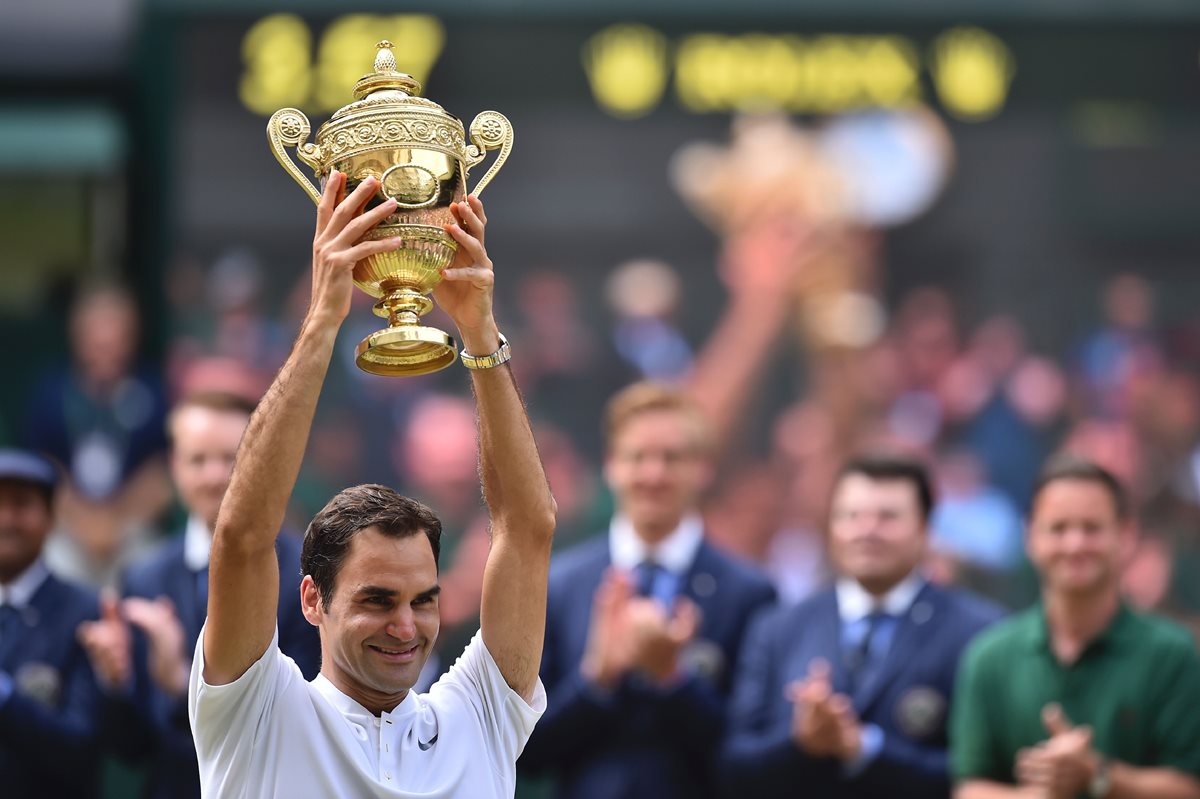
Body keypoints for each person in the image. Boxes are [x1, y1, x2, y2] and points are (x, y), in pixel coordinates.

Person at [187, 173, 556, 798]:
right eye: (377, 600)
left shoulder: (479, 720)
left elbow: (528, 528)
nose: (407, 628)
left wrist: (478, 329)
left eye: (423, 600)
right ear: (312, 601)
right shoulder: (258, 714)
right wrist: (323, 319)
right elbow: (243, 538)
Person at [520, 381, 777, 799]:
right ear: (610, 466)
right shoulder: (560, 585)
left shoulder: (749, 593)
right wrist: (597, 679)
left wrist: (673, 680)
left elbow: (752, 753)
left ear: (703, 469)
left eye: (672, 458)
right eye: (637, 457)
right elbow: (527, 751)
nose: (654, 475)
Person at [77, 390, 321, 798]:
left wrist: (179, 680)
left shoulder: (308, 569)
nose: (214, 476)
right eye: (197, 460)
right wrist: (116, 683)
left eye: (230, 458)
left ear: (260, 461)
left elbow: (302, 723)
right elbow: (132, 749)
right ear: (174, 467)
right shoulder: (143, 579)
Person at [721, 454, 1003, 798]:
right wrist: (800, 741)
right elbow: (734, 766)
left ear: (925, 528)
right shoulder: (779, 628)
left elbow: (982, 774)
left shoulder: (979, 634)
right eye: (851, 516)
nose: (867, 531)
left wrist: (866, 749)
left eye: (888, 517)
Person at [951, 456, 1200, 799]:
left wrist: (1097, 776)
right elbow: (969, 788)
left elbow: (1189, 787)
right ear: (1030, 537)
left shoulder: (1173, 654)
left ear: (1127, 536)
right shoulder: (989, 657)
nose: (1075, 545)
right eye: (1058, 528)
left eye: (1092, 528)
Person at [0, 448, 103, 797]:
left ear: (50, 518)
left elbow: (82, 743)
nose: (6, 520)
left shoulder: (86, 611)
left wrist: (7, 697)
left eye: (22, 504)